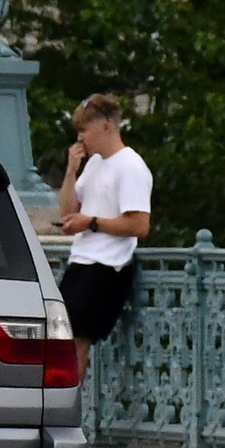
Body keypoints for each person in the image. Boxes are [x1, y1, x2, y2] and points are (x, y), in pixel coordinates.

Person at [56, 93, 153, 371]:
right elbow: (68, 211)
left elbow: (139, 224)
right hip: (82, 260)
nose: (80, 138)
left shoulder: (130, 165)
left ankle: (68, 406)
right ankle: (61, 402)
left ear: (107, 126)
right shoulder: (95, 163)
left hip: (108, 265)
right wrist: (71, 172)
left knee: (76, 340)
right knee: (58, 338)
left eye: (84, 130)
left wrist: (91, 222)